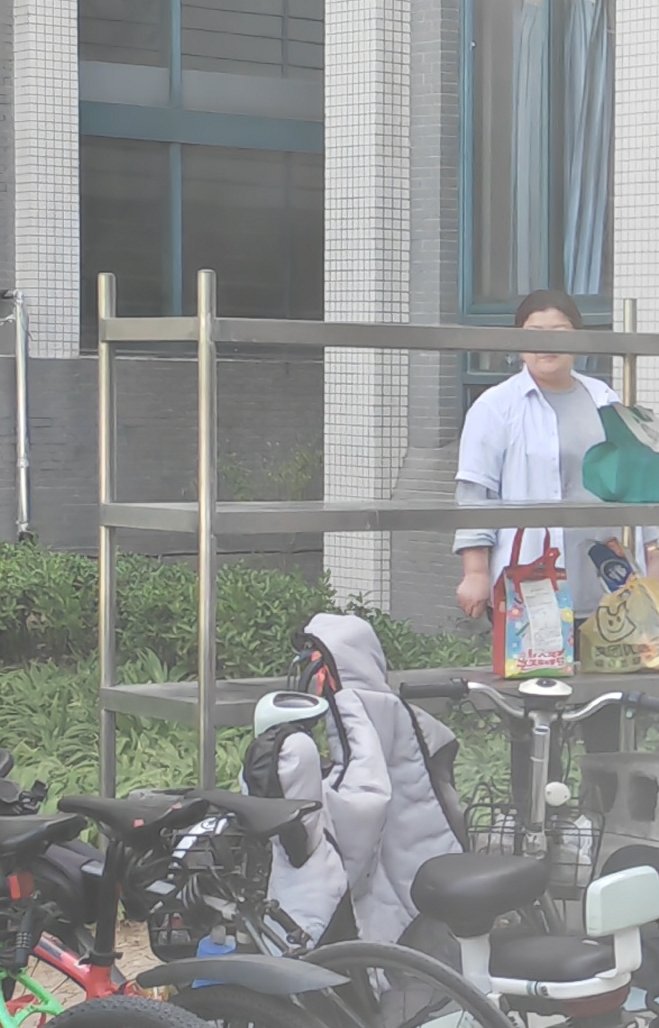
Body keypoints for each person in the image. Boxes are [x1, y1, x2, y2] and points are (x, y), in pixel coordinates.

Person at [246, 608, 468, 946]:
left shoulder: (354, 712)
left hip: (375, 913)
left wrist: (319, 795)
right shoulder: (400, 713)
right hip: (430, 882)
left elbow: (364, 798)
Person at [455, 288, 612, 646]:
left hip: (601, 580)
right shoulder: (496, 406)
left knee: (602, 678)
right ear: (518, 342)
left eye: (559, 332)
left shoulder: (604, 400)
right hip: (527, 583)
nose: (546, 345)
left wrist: (653, 561)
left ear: (579, 338)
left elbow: (633, 485)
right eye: (534, 333)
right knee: (537, 678)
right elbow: (475, 493)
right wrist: (475, 572)